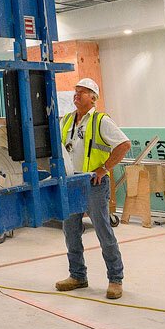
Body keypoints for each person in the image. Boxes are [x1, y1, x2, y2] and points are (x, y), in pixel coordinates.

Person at [54, 78, 131, 299]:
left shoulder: (101, 121)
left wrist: (104, 168)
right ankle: (77, 275)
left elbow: (124, 145)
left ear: (93, 97)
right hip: (71, 183)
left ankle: (115, 279)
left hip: (94, 184)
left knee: (103, 232)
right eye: (75, 91)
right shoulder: (67, 120)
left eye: (82, 92)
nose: (76, 95)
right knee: (70, 232)